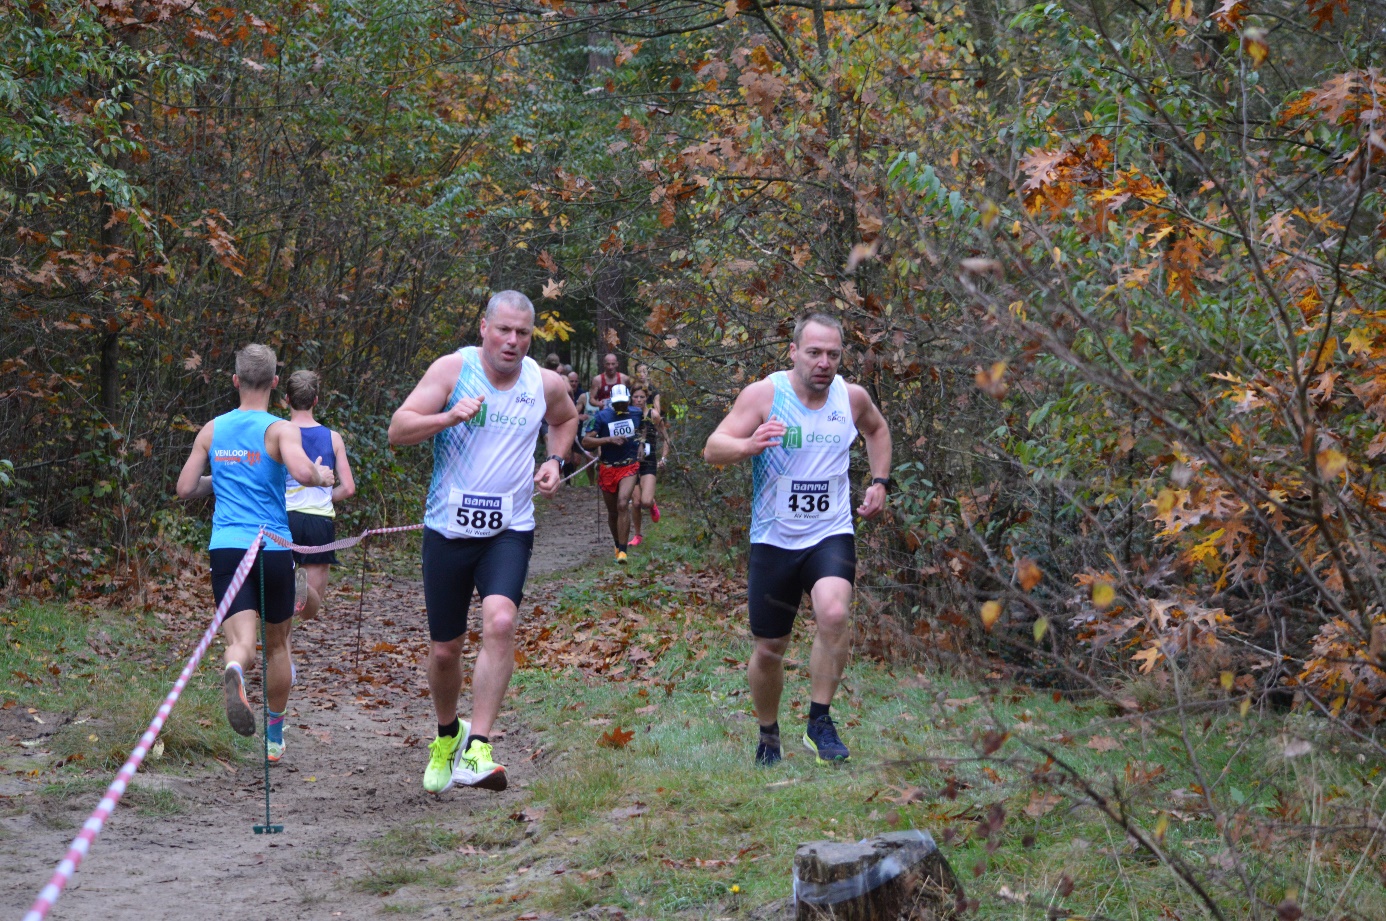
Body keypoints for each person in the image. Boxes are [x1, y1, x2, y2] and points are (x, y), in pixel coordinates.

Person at [388, 291, 577, 795]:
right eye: (504, 330)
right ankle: (448, 736)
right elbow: (398, 429)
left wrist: (555, 461)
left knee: (500, 620)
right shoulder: (453, 372)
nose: (513, 341)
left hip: (509, 528)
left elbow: (565, 418)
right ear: (484, 328)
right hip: (448, 530)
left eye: (523, 333)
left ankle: (479, 745)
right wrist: (448, 417)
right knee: (446, 650)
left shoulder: (544, 382)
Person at [702, 314, 892, 766]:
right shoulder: (766, 395)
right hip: (774, 539)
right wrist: (748, 446)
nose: (824, 362)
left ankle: (819, 722)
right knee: (769, 649)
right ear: (793, 352)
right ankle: (769, 733)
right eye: (814, 352)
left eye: (833, 354)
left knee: (833, 612)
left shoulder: (851, 398)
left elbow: (877, 430)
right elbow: (713, 447)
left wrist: (880, 481)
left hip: (830, 532)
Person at [175, 344, 335, 764]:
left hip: (228, 548)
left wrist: (223, 478)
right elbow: (302, 472)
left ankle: (234, 670)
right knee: (277, 644)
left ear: (235, 381)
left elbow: (186, 488)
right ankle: (275, 735)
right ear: (275, 383)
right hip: (272, 547)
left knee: (242, 641)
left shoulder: (212, 429)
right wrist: (323, 474)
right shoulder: (280, 429)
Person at [284, 370, 357, 617]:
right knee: (306, 608)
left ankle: (286, 653)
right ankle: (299, 586)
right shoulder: (332, 438)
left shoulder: (276, 434)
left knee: (282, 605)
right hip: (318, 522)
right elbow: (348, 488)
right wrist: (326, 496)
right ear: (316, 400)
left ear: (286, 399)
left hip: (283, 519)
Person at [583, 383, 642, 563]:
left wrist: (641, 444)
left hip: (629, 466)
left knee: (623, 503)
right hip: (608, 467)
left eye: (623, 402)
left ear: (628, 400)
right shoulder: (602, 417)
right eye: (617, 403)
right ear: (611, 402)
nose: (621, 406)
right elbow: (586, 441)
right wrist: (608, 440)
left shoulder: (637, 413)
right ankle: (617, 544)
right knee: (613, 511)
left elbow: (645, 428)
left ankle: (623, 552)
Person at [628, 386, 668, 547]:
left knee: (645, 501)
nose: (638, 400)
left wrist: (664, 458)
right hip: (631, 463)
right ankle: (637, 535)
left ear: (647, 399)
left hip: (649, 462)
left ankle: (652, 504)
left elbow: (666, 438)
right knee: (635, 503)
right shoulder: (627, 415)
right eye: (636, 397)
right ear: (631, 398)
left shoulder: (653, 415)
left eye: (642, 397)